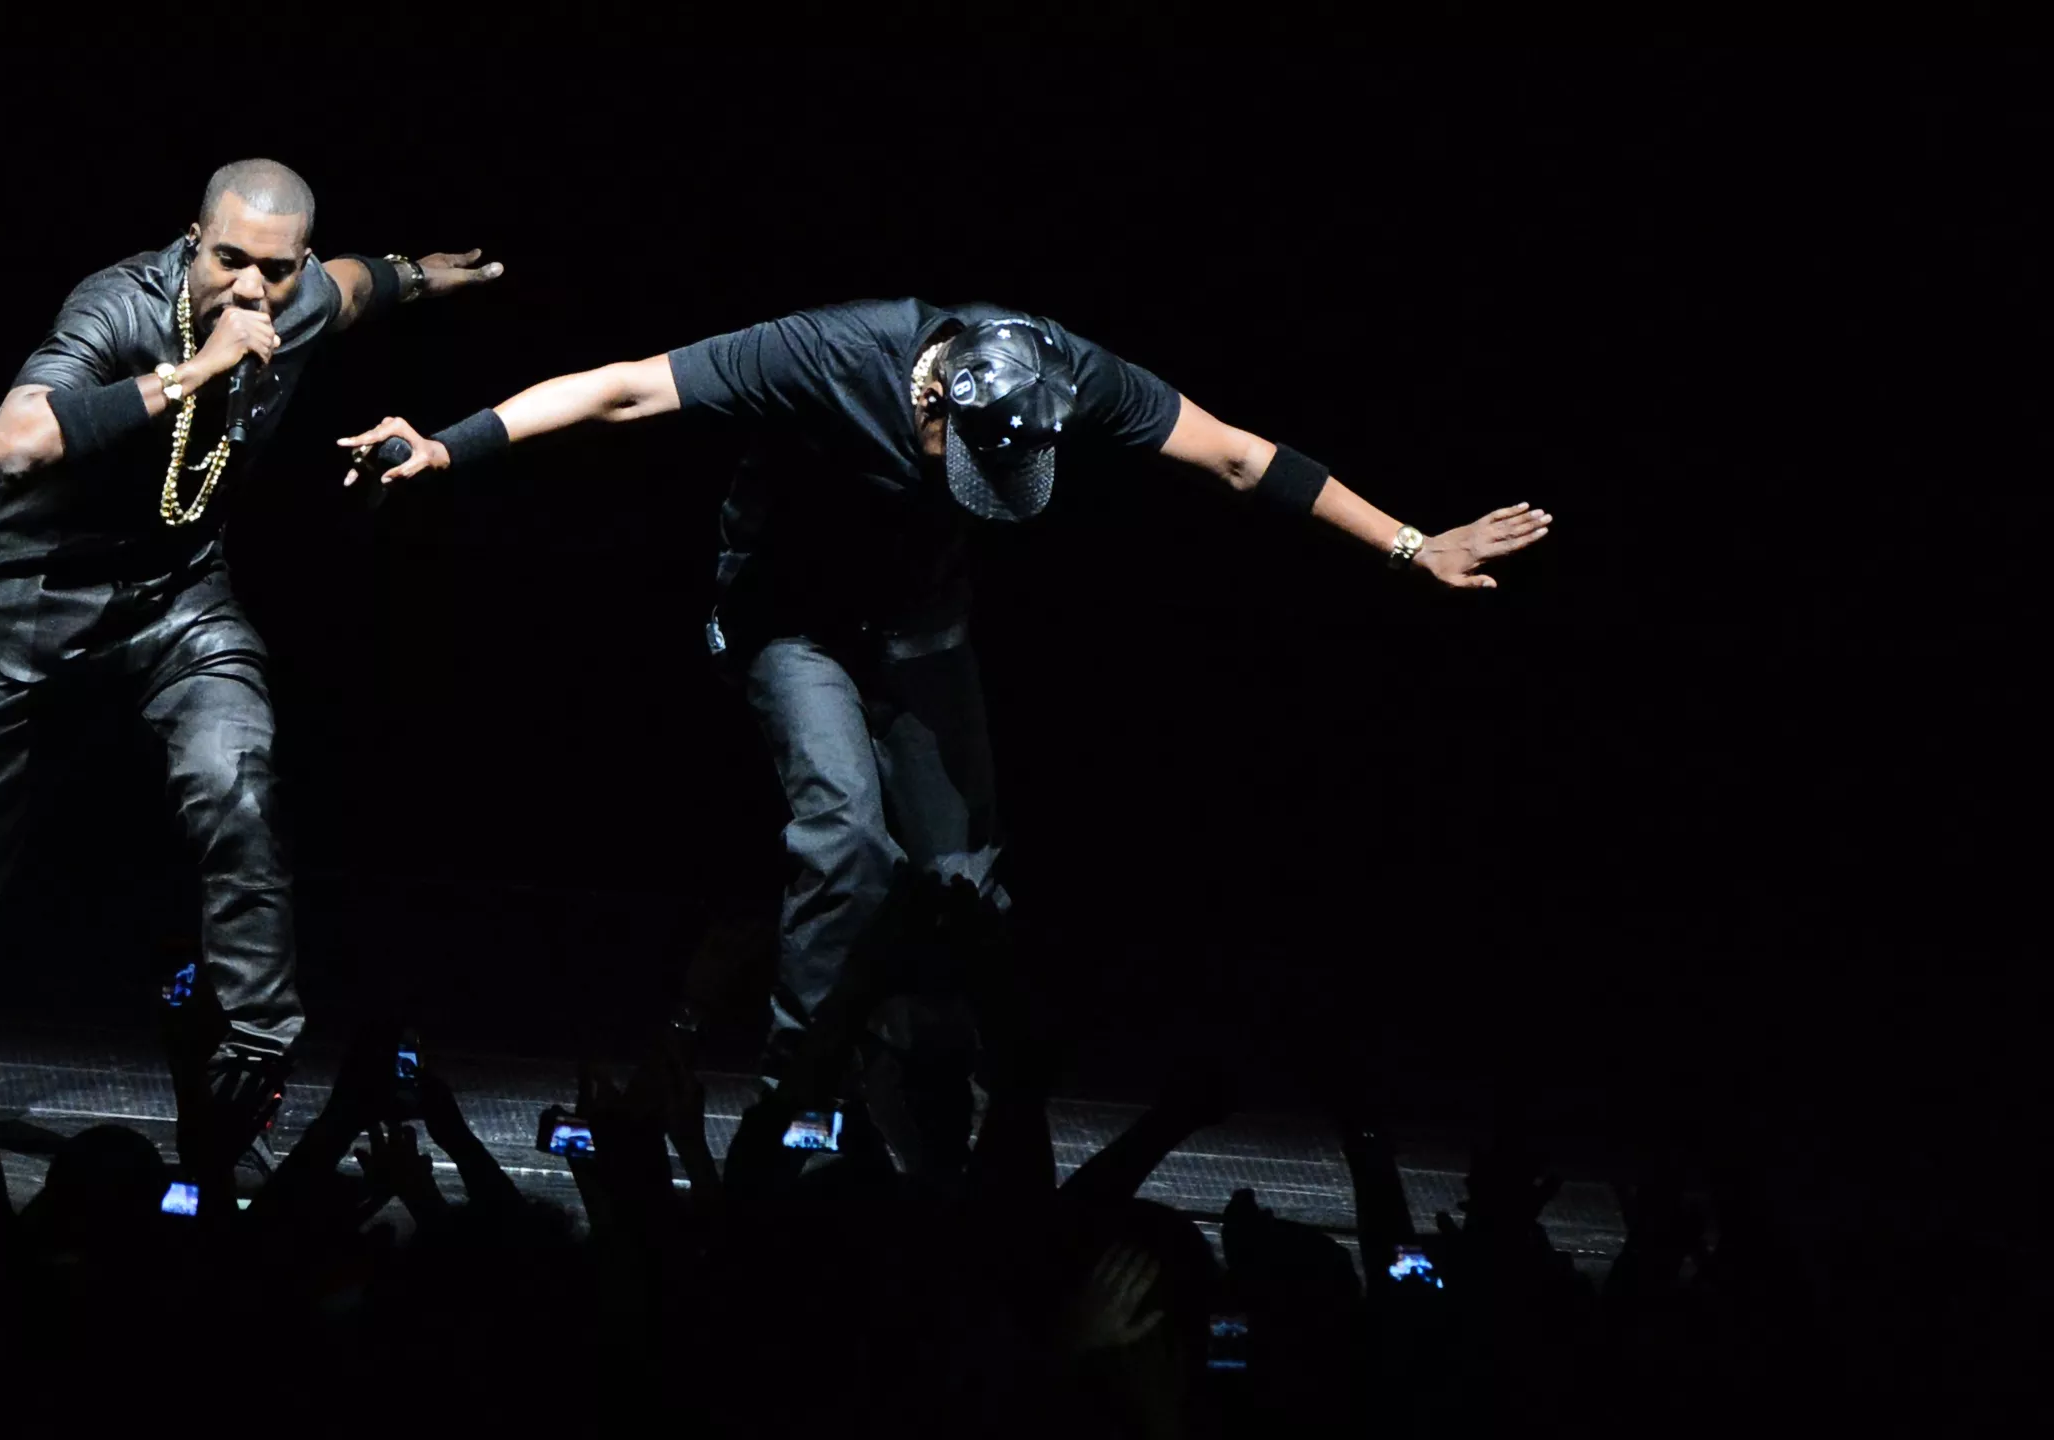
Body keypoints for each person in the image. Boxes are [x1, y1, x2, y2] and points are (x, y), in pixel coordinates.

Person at [335, 299, 1551, 1166]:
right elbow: (624, 387)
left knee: (968, 877)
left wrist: (1409, 542)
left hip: (921, 627)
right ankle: (795, 1103)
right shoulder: (825, 353)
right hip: (792, 619)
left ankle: (944, 1118)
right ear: (927, 396)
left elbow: (1238, 458)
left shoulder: (1063, 368)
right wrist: (452, 443)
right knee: (845, 830)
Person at [0, 158, 503, 1181]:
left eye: (272, 271)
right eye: (228, 260)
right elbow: (15, 440)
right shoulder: (119, 307)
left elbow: (354, 287)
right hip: (25, 609)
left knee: (238, 786)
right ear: (192, 238)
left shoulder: (302, 294)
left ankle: (252, 1058)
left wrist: (417, 272)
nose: (249, 289)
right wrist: (200, 367)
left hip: (175, 598)